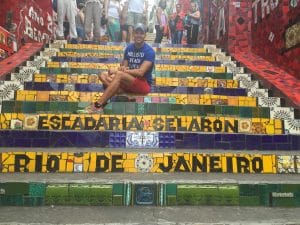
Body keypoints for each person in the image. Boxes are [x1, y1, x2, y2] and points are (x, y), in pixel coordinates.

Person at [80, 23, 155, 113]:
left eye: (141, 33)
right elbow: (124, 67)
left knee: (118, 75)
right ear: (133, 34)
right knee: (103, 75)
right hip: (129, 82)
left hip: (143, 84)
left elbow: (141, 72)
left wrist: (118, 71)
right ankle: (123, 92)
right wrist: (119, 70)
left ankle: (98, 105)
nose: (139, 35)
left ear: (145, 35)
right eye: (137, 32)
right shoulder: (129, 48)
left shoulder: (149, 51)